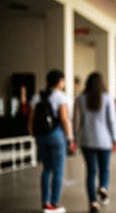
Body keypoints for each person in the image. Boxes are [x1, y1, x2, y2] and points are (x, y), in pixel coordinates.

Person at [28, 69, 76, 213]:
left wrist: (33, 133)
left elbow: (31, 119)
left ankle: (45, 203)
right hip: (56, 135)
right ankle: (54, 204)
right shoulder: (60, 97)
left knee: (46, 169)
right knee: (58, 170)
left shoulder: (37, 96)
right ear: (59, 82)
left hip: (41, 136)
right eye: (63, 80)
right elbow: (64, 119)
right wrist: (70, 138)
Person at [73, 73, 116, 213]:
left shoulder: (80, 98)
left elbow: (76, 121)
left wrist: (75, 139)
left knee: (91, 171)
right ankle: (103, 187)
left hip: (87, 140)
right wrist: (115, 138)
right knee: (104, 168)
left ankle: (93, 201)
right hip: (105, 140)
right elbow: (112, 120)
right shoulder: (107, 98)